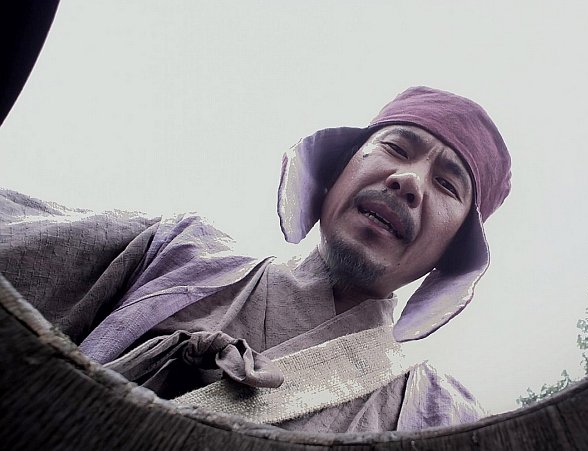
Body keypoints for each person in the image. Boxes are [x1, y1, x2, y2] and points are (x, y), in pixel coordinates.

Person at [0, 86, 512, 432]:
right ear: (336, 171)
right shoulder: (173, 252)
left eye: (448, 184)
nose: (409, 181)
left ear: (451, 254)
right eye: (396, 147)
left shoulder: (442, 419)